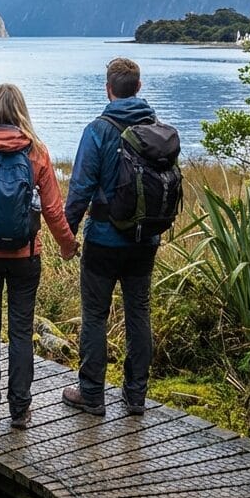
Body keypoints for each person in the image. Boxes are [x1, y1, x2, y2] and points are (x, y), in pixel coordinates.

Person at [0, 84, 77, 430]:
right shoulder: (37, 152)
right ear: (21, 110)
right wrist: (68, 246)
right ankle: (20, 411)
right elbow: (53, 209)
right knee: (21, 333)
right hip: (26, 256)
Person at [63, 57, 159, 416]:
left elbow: (81, 188)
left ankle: (91, 395)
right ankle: (135, 397)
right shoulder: (158, 128)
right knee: (139, 313)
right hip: (145, 241)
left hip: (103, 239)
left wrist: (67, 235)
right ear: (138, 87)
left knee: (94, 316)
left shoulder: (98, 130)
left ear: (108, 89)